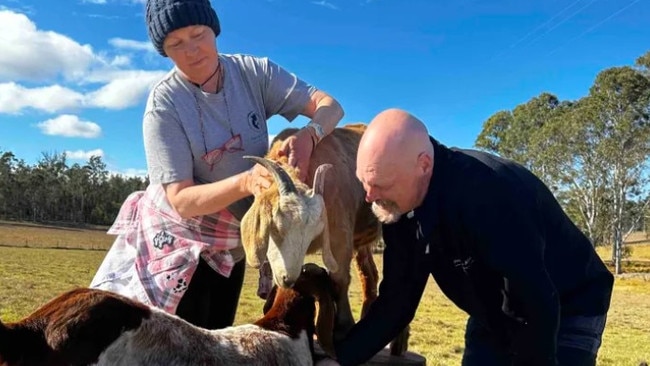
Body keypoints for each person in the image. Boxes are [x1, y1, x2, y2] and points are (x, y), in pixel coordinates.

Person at [90, 0, 343, 330]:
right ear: (163, 51)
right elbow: (181, 200)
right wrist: (245, 182)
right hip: (180, 241)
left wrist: (311, 134)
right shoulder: (164, 104)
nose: (192, 51)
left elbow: (330, 106)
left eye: (198, 34)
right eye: (175, 44)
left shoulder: (253, 73)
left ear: (214, 29)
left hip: (231, 241)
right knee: (180, 342)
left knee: (218, 335)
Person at [322, 108, 614, 366]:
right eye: (365, 183)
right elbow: (397, 302)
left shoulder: (488, 195)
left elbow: (537, 302)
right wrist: (343, 359)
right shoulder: (395, 207)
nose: (370, 197)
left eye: (380, 184)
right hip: (493, 310)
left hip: (566, 304)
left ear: (423, 165)